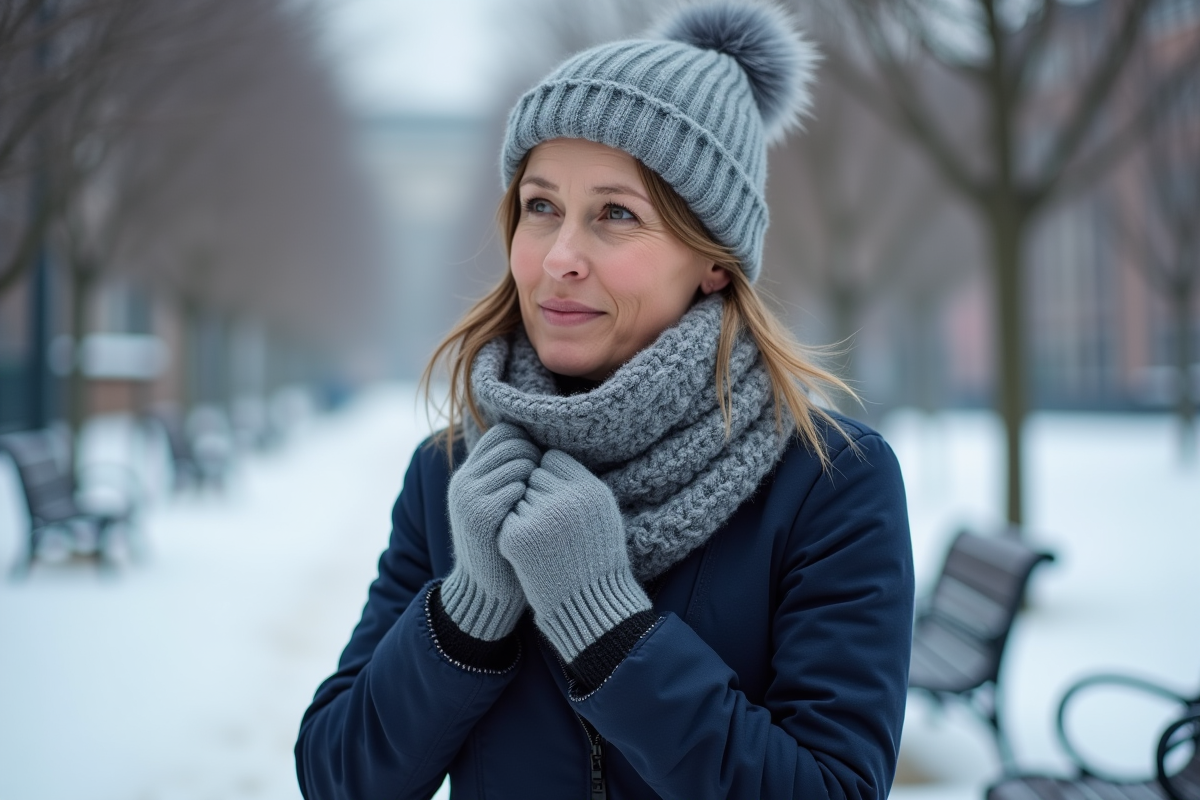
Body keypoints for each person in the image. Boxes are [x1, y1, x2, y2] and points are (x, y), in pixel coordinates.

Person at [295, 4, 914, 798]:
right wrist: (467, 614)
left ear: (714, 262)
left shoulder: (830, 485)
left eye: (616, 215)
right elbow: (338, 778)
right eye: (541, 207)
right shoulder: (451, 475)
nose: (559, 258)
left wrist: (609, 629)